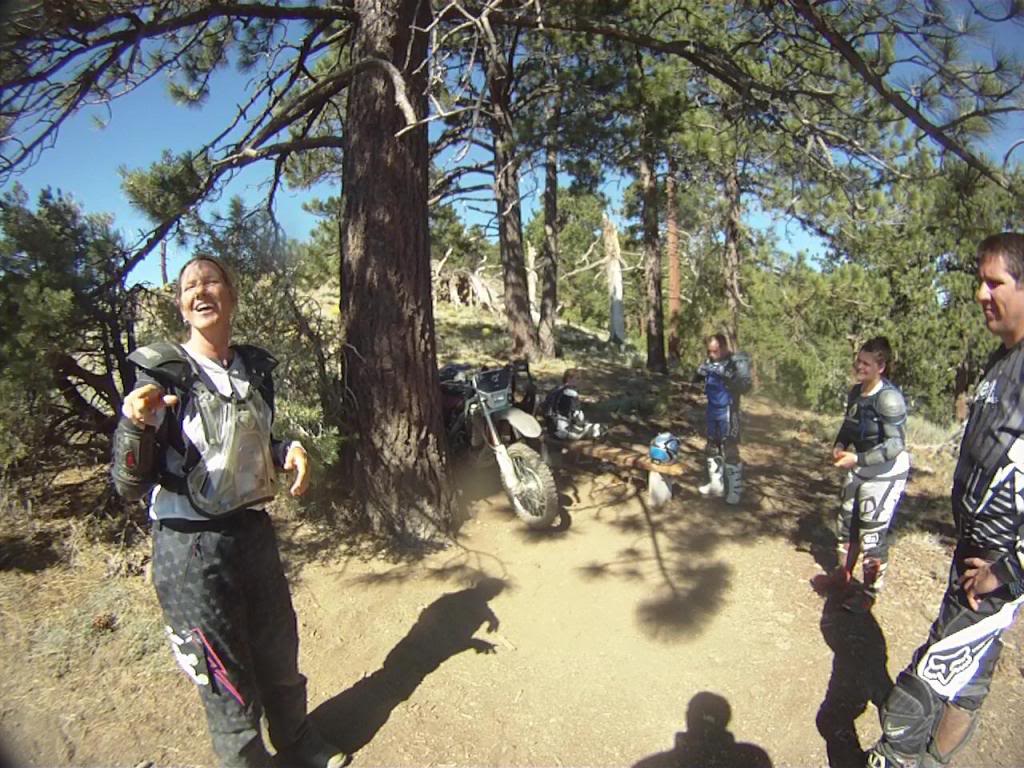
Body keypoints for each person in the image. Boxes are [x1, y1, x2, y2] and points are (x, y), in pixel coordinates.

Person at [111, 256, 347, 768]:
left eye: (212, 282)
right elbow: (129, 485)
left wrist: (287, 451)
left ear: (232, 296)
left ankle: (298, 742)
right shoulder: (163, 375)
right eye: (189, 286)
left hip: (251, 532)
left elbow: (249, 440)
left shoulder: (253, 371)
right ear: (181, 306)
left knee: (279, 652)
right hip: (189, 549)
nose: (201, 291)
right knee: (223, 677)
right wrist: (135, 426)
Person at [866, 233, 1024, 768]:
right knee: (967, 676)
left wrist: (1009, 571)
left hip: (997, 570)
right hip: (973, 557)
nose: (981, 293)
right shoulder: (1003, 361)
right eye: (979, 281)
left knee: (916, 696)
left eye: (994, 282)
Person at [816, 336, 910, 614]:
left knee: (872, 534)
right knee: (847, 523)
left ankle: (869, 593)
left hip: (885, 473)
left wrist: (858, 458)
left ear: (881, 367)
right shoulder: (856, 392)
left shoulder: (889, 398)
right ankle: (843, 575)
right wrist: (840, 444)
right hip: (858, 466)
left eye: (866, 363)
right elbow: (850, 424)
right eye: (858, 361)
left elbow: (895, 445)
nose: (859, 367)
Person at [694, 334, 744, 504]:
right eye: (709, 351)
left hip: (729, 409)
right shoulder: (709, 361)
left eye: (715, 351)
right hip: (712, 409)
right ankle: (717, 485)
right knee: (711, 445)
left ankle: (735, 491)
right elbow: (696, 379)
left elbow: (744, 385)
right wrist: (699, 371)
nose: (711, 354)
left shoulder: (735, 362)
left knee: (730, 446)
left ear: (723, 348)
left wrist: (727, 375)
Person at [541, 368, 602, 441]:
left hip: (551, 426)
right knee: (595, 427)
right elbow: (578, 417)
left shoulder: (557, 389)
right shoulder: (571, 393)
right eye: (577, 378)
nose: (579, 381)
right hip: (562, 430)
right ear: (569, 379)